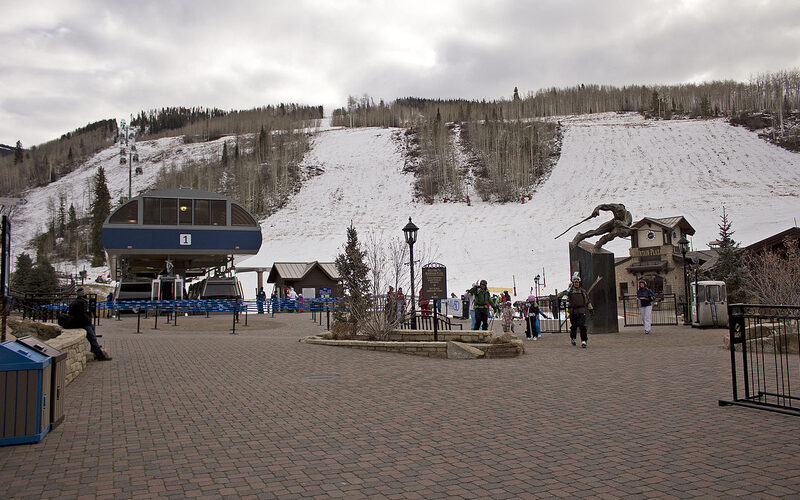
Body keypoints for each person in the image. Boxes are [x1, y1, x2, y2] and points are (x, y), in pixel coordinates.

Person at [68, 288, 111, 361]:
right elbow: (81, 315)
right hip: (82, 324)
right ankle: (100, 355)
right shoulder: (81, 303)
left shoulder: (76, 302)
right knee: (92, 338)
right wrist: (88, 319)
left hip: (78, 322)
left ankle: (94, 349)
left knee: (92, 330)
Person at [558, 275, 593, 348]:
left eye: (578, 282)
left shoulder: (583, 292)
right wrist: (567, 290)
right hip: (572, 311)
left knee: (582, 326)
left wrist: (590, 309)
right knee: (574, 326)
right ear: (573, 283)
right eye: (575, 282)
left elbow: (587, 301)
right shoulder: (570, 292)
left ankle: (584, 340)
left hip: (581, 311)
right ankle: (573, 338)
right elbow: (559, 296)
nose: (576, 283)